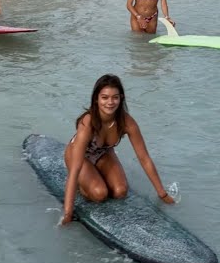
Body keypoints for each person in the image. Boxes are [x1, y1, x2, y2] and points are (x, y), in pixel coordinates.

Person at [61, 74, 175, 225]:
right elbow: (75, 169)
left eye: (115, 97)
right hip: (80, 157)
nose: (110, 102)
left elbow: (144, 158)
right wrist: (68, 212)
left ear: (121, 98)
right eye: (105, 97)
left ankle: (97, 176)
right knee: (99, 194)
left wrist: (162, 194)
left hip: (103, 153)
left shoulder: (127, 122)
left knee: (120, 191)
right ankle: (82, 187)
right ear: (96, 98)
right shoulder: (87, 123)